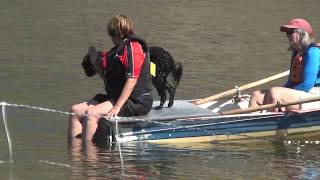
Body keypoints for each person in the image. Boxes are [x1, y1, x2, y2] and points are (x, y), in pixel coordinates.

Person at [68, 15, 153, 143]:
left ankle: (90, 159)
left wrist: (118, 106)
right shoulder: (115, 51)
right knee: (75, 111)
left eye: (111, 34)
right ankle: (76, 156)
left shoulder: (133, 48)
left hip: (136, 101)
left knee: (91, 114)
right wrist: (96, 62)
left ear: (116, 33)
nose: (110, 38)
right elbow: (108, 81)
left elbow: (132, 80)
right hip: (115, 97)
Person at [249, 18, 320, 112]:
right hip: (300, 92)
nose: (288, 35)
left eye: (291, 31)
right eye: (287, 32)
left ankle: (272, 123)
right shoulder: (296, 54)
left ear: (302, 33)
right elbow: (290, 82)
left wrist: (281, 93)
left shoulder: (313, 52)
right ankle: (253, 123)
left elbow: (307, 84)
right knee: (256, 95)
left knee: (275, 93)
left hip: (314, 93)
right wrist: (281, 90)